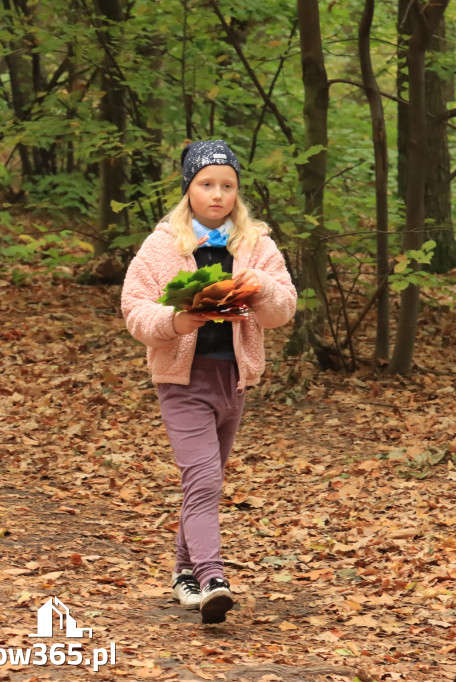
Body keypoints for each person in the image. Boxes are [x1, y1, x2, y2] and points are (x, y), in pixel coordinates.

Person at [121, 140, 296, 624]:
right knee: (203, 480)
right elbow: (134, 308)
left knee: (206, 481)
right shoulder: (164, 244)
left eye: (227, 185)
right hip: (182, 380)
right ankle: (213, 577)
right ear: (188, 189)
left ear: (237, 191)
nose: (217, 194)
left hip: (233, 379)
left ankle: (183, 574)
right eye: (206, 184)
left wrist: (260, 290)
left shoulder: (256, 244)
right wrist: (176, 322)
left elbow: (284, 308)